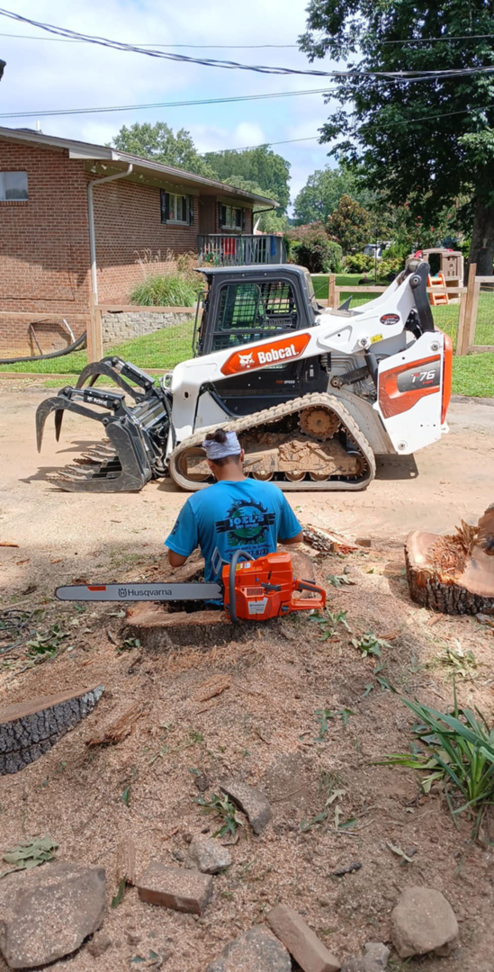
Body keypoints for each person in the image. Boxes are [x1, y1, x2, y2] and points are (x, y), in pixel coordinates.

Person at [165, 429, 303, 589]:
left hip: (221, 598)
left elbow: (175, 560)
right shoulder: (273, 492)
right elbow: (295, 537)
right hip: (267, 593)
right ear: (242, 455)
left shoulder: (197, 502)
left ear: (209, 463)